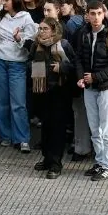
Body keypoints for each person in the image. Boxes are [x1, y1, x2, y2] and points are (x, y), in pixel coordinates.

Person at [72, 1, 108, 181]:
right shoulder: (84, 33)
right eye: (92, 13)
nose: (96, 17)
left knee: (107, 128)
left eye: (99, 13)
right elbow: (79, 58)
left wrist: (95, 77)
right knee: (94, 128)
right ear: (87, 15)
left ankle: (107, 166)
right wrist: (81, 77)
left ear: (104, 14)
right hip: (89, 87)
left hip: (107, 87)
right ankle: (100, 161)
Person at [26, 18, 77, 178]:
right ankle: (47, 158)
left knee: (57, 128)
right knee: (46, 127)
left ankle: (56, 163)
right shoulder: (36, 45)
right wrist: (35, 67)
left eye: (45, 28)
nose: (41, 31)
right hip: (41, 91)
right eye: (40, 28)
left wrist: (61, 67)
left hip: (60, 92)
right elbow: (28, 62)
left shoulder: (64, 45)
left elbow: (74, 65)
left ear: (54, 30)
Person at [0, 0, 37, 153]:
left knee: (18, 103)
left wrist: (19, 38)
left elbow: (30, 43)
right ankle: (5, 135)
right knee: (0, 101)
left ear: (15, 1)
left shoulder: (26, 18)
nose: (3, 3)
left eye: (6, 0)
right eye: (2, 0)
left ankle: (22, 138)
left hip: (17, 63)